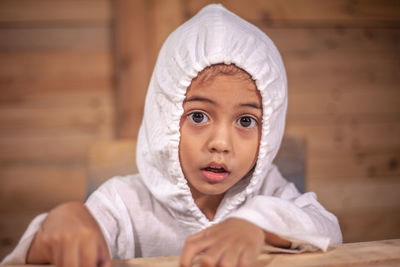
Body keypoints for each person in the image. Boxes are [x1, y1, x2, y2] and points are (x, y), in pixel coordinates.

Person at [1, 4, 342, 267]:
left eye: (246, 121)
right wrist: (62, 220)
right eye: (198, 116)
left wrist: (256, 225)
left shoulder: (268, 187)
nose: (221, 143)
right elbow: (49, 250)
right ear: (164, 117)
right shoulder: (124, 202)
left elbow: (327, 228)